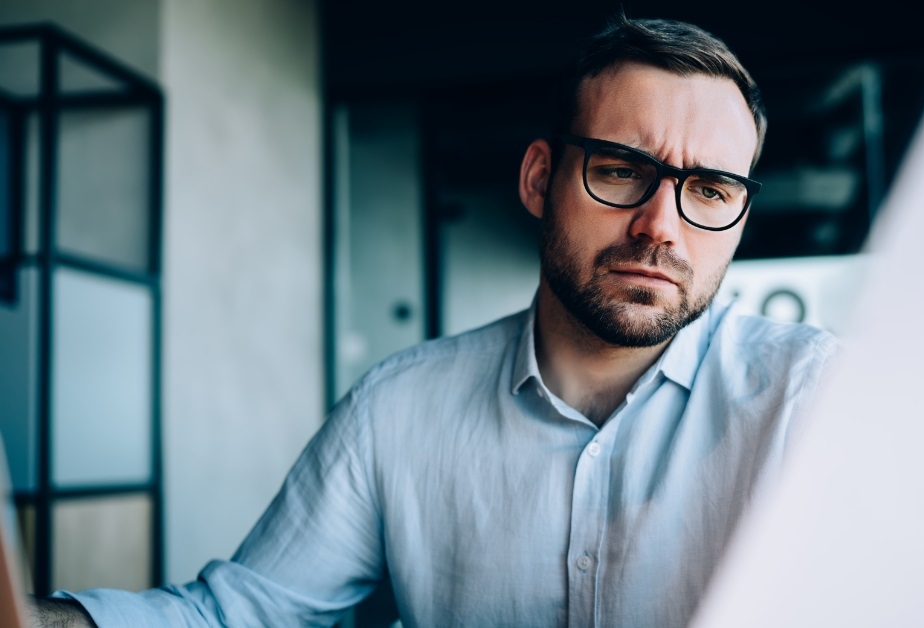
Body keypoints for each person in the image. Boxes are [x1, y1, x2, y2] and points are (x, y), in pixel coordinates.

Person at [31, 13, 836, 628]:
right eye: (621, 171)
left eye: (712, 190)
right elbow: (246, 614)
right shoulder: (398, 410)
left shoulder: (824, 401)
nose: (662, 225)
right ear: (538, 179)